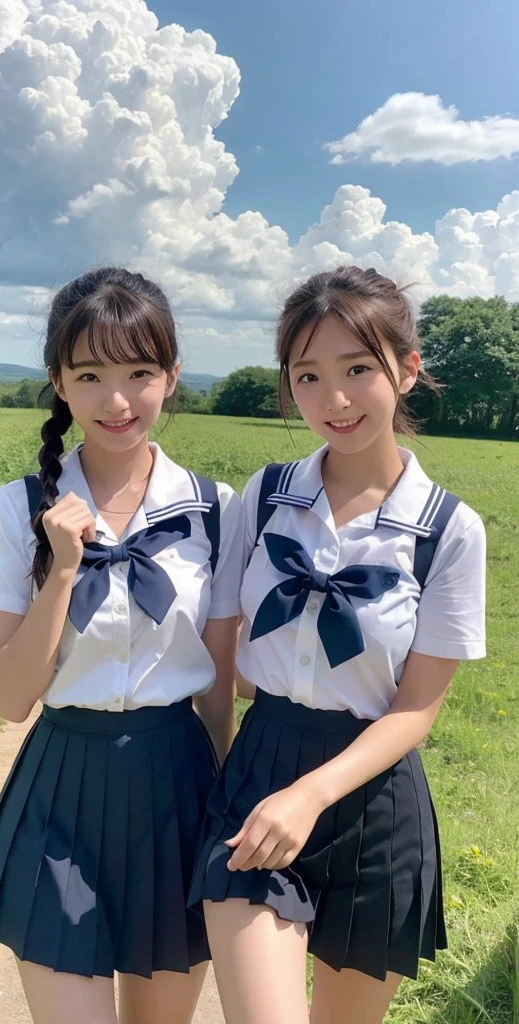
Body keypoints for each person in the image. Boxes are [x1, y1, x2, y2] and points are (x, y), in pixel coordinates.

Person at [188, 265, 486, 1024]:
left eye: (359, 369)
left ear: (408, 369)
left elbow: (417, 710)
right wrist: (220, 772)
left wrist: (314, 793)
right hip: (259, 775)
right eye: (309, 376)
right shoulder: (266, 494)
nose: (336, 400)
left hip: (375, 802)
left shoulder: (449, 530)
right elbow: (223, 657)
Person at [0, 267, 245, 1024]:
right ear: (59, 384)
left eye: (140, 372)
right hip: (59, 786)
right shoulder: (18, 509)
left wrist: (218, 806)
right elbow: (10, 700)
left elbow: (216, 687)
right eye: (90, 374)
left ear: (172, 377)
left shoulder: (214, 511)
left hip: (178, 784)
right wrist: (63, 572)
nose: (117, 400)